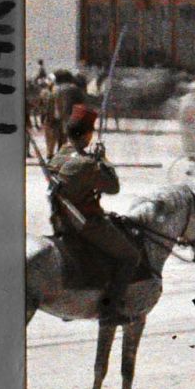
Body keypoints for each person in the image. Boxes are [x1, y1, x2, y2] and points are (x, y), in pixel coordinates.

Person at [45, 105, 155, 325]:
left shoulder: (59, 156)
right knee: (130, 256)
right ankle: (110, 308)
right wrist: (103, 160)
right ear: (87, 134)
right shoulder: (86, 164)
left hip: (62, 219)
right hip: (86, 223)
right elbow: (114, 187)